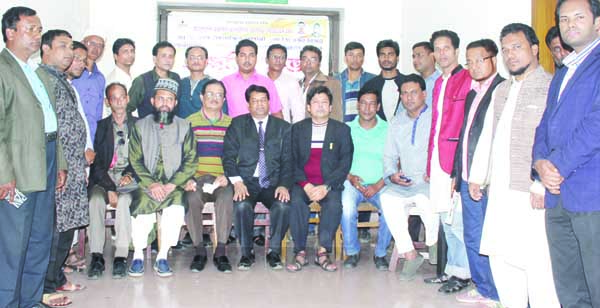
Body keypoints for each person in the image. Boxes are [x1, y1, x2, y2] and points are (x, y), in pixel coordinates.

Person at [470, 23, 560, 308]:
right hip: (500, 192)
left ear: (534, 50)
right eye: (505, 49)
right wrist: (477, 175)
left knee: (538, 265)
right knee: (501, 257)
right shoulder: (501, 90)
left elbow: (556, 142)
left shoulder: (550, 87)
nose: (511, 55)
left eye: (517, 47)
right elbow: (488, 135)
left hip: (531, 194)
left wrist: (540, 184)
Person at [534, 0, 600, 306]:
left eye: (578, 17)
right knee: (569, 287)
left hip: (591, 194)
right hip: (557, 194)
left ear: (597, 22)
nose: (569, 23)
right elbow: (545, 124)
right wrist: (539, 163)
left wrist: (555, 165)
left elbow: (596, 124)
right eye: (563, 19)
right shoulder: (564, 69)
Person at [0, 7, 67, 308]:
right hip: (19, 164)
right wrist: (3, 174)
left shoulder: (38, 72)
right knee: (13, 242)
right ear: (10, 32)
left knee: (40, 237)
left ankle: (29, 301)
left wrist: (61, 163)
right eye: (31, 29)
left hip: (48, 157)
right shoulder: (3, 69)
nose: (37, 35)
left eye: (39, 29)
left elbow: (51, 121)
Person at [37, 29, 91, 306]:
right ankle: (44, 286)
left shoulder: (62, 81)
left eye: (71, 47)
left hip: (71, 165)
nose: (70, 52)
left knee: (67, 225)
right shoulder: (42, 79)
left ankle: (56, 277)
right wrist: (62, 163)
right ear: (45, 49)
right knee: (55, 227)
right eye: (63, 46)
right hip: (57, 167)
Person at [451, 39, 504, 305]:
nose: (473, 66)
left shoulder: (502, 90)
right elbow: (465, 135)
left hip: (487, 180)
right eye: (469, 61)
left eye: (479, 60)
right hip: (467, 176)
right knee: (473, 234)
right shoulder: (473, 92)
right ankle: (483, 287)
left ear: (493, 59)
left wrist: (482, 176)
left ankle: (496, 290)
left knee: (489, 235)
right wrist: (456, 173)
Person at [127, 78, 196, 277]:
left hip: (174, 185)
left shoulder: (185, 126)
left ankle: (163, 256)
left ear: (175, 103)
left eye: (169, 99)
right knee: (142, 210)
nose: (165, 102)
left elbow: (190, 160)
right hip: (146, 183)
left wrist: (173, 184)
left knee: (175, 209)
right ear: (152, 101)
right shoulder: (140, 126)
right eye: (161, 98)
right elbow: (135, 160)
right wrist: (152, 184)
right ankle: (138, 255)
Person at [222, 84, 292, 270]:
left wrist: (284, 184)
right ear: (248, 104)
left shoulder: (283, 127)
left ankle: (274, 252)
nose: (260, 104)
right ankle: (247, 253)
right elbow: (228, 156)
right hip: (246, 182)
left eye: (263, 100)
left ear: (269, 102)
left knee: (283, 206)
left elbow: (288, 160)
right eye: (255, 101)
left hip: (273, 182)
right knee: (242, 204)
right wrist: (236, 182)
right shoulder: (237, 125)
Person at [424, 29, 472, 294]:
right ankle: (451, 269)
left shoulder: (466, 79)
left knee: (457, 221)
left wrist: (458, 166)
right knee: (444, 218)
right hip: (438, 161)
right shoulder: (438, 83)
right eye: (437, 49)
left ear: (456, 51)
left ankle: (462, 273)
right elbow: (436, 125)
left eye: (446, 48)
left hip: (456, 162)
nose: (441, 53)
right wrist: (430, 162)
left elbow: (464, 125)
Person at [288, 85, 354, 272]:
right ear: (308, 107)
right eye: (315, 102)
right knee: (296, 203)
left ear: (331, 107)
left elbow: (345, 163)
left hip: (329, 184)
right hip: (303, 183)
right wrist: (306, 185)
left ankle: (323, 251)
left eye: (324, 102)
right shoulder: (297, 129)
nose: (320, 106)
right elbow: (291, 160)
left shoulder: (341, 130)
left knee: (334, 205)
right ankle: (300, 251)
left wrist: (326, 186)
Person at [379, 74, 439, 281]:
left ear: (424, 94)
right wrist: (391, 175)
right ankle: (410, 254)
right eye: (404, 94)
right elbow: (389, 155)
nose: (409, 98)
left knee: (425, 200)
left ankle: (433, 243)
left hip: (430, 181)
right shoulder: (396, 121)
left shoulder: (436, 117)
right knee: (387, 198)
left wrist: (436, 172)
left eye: (413, 92)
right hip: (405, 182)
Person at [87, 82, 137, 280]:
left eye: (121, 96)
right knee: (95, 201)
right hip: (104, 178)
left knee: (124, 201)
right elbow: (96, 163)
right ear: (108, 102)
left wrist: (130, 174)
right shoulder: (100, 127)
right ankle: (97, 255)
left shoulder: (139, 125)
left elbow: (144, 158)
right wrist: (109, 187)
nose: (118, 101)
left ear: (128, 99)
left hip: (128, 178)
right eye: (113, 98)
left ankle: (121, 256)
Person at [183, 79, 234, 273]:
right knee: (190, 198)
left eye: (219, 95)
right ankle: (199, 251)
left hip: (221, 178)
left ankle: (220, 251)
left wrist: (228, 176)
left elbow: (237, 156)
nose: (214, 98)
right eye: (210, 94)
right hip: (197, 178)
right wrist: (187, 178)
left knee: (227, 197)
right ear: (201, 97)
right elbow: (182, 155)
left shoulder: (232, 124)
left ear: (224, 99)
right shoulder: (189, 122)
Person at [340, 88, 391, 270]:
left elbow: (396, 162)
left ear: (378, 107)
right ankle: (352, 252)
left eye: (372, 104)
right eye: (363, 103)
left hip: (381, 183)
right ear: (357, 106)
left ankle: (381, 254)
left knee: (391, 208)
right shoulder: (346, 129)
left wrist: (378, 185)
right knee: (346, 207)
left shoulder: (388, 129)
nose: (367, 108)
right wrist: (350, 177)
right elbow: (338, 161)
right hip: (352, 183)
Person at [222, 39, 283, 119]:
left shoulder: (267, 82)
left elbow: (276, 113)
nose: (247, 59)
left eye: (251, 55)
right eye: (243, 55)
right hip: (234, 129)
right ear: (236, 58)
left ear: (256, 58)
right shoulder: (226, 82)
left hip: (261, 130)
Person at [127, 41, 181, 118]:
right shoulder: (142, 81)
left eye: (170, 56)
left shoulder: (176, 78)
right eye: (163, 56)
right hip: (147, 128)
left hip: (172, 128)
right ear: (155, 59)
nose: (167, 60)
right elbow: (127, 108)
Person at [361, 39, 407, 120]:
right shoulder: (369, 86)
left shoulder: (407, 83)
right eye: (382, 55)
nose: (386, 58)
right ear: (378, 58)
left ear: (397, 58)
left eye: (390, 54)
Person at [71, 33, 106, 141]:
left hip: (92, 137)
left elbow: (98, 113)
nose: (96, 48)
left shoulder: (100, 78)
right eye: (92, 43)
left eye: (100, 45)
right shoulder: (71, 72)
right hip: (72, 136)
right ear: (82, 43)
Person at [334, 41, 376, 123]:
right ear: (345, 58)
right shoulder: (335, 81)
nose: (355, 59)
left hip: (365, 129)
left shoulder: (372, 80)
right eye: (351, 55)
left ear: (363, 58)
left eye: (359, 55)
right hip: (341, 128)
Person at [299, 45, 343, 121]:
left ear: (319, 63)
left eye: (313, 59)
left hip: (320, 130)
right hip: (296, 129)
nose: (308, 63)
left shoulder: (332, 83)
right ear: (300, 62)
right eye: (305, 59)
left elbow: (336, 114)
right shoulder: (296, 84)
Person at [177, 46, 222, 119]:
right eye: (192, 58)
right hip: (182, 128)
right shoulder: (180, 83)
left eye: (200, 58)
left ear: (206, 62)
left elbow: (222, 113)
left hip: (205, 129)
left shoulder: (215, 85)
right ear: (186, 61)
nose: (196, 61)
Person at [266, 43, 304, 123]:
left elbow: (298, 112)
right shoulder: (259, 81)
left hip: (283, 131)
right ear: (267, 60)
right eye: (275, 57)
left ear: (285, 61)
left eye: (282, 57)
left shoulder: (292, 82)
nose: (278, 60)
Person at [104, 38, 135, 117]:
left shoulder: (134, 76)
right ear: (115, 56)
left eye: (132, 51)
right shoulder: (113, 80)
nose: (130, 55)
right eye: (125, 52)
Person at [412, 41, 441, 106]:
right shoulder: (411, 82)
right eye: (413, 57)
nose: (415, 60)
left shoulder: (442, 82)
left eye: (419, 55)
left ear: (432, 56)